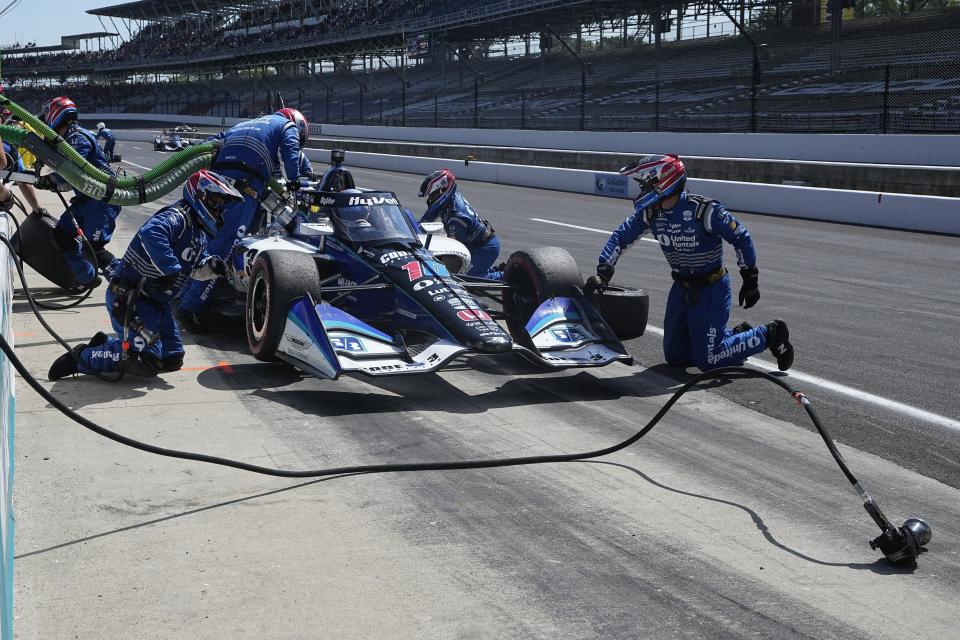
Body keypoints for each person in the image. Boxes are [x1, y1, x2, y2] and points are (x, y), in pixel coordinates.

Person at [585, 154, 794, 372]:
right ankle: (736, 337)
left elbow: (741, 236)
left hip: (712, 288)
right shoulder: (651, 213)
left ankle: (770, 334)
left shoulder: (704, 210)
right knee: (676, 356)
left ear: (663, 182)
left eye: (646, 184)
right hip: (682, 289)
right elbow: (620, 236)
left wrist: (750, 277)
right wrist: (604, 272)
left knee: (708, 360)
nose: (642, 190)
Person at [48, 170, 242, 381]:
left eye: (221, 206)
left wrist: (213, 267)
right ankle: (82, 357)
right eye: (215, 203)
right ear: (199, 196)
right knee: (145, 362)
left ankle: (109, 345)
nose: (219, 210)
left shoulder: (198, 233)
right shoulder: (177, 217)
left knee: (172, 359)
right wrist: (170, 269)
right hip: (131, 299)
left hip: (158, 305)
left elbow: (194, 268)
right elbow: (152, 232)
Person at [176, 107, 308, 331]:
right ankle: (190, 309)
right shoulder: (287, 127)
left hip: (216, 183)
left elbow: (210, 143)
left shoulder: (244, 125)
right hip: (243, 187)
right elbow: (291, 152)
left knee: (207, 240)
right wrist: (294, 182)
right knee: (225, 246)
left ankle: (181, 293)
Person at [39, 96, 122, 290]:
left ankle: (128, 288)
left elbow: (73, 172)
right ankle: (87, 278)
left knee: (94, 250)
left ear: (55, 115)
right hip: (86, 201)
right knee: (62, 235)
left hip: (101, 202)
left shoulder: (77, 137)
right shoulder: (68, 138)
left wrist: (51, 180)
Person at [418, 169, 501, 279]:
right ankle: (496, 270)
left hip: (484, 248)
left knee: (463, 278)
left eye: (432, 194)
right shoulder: (448, 200)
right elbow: (424, 221)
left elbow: (455, 250)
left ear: (443, 190)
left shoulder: (456, 217)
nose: (429, 199)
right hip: (475, 243)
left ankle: (507, 276)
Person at [0, 133, 46, 216]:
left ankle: (38, 211)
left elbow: (2, 163)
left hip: (8, 154)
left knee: (22, 178)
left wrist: (37, 209)